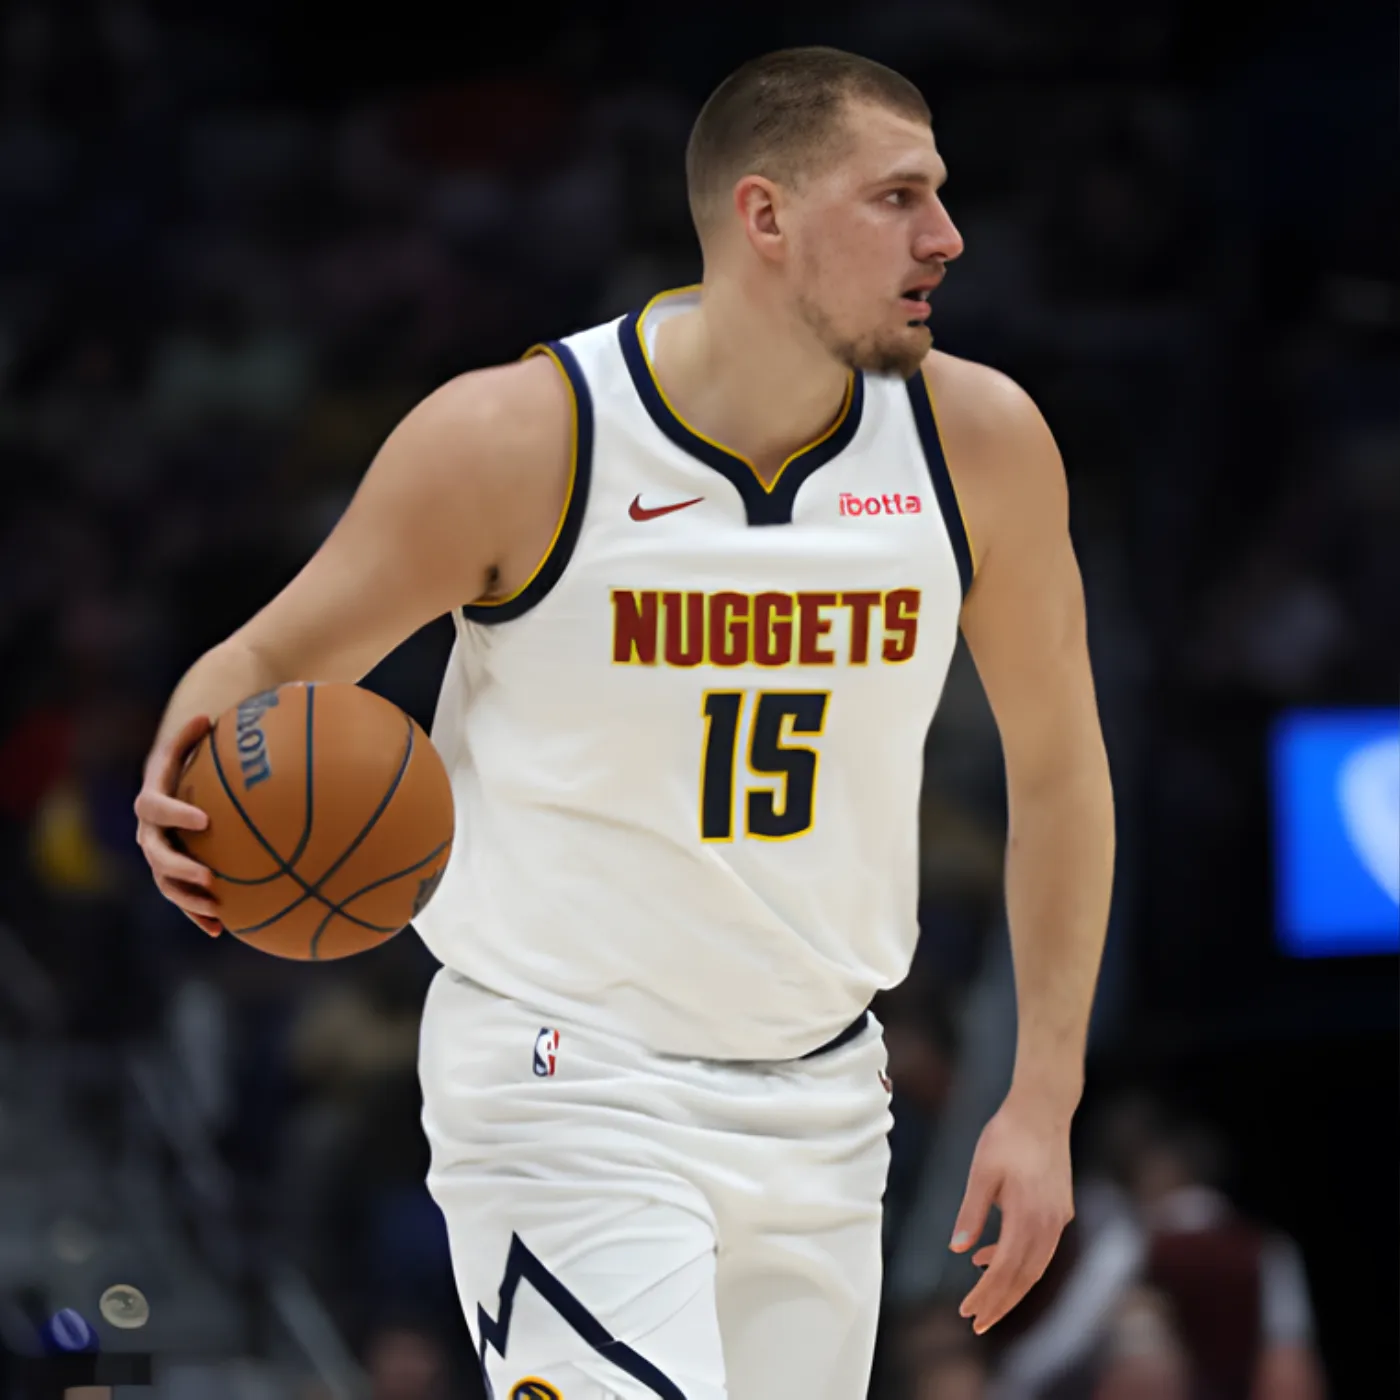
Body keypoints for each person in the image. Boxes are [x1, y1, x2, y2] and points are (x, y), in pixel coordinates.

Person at [134, 47, 1115, 1400]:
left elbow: (1060, 771)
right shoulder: (521, 440)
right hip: (563, 1079)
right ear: (766, 215)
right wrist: (182, 762)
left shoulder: (980, 445)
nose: (945, 236)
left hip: (828, 1095)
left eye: (938, 195)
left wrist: (1045, 1094)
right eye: (898, 197)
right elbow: (264, 658)